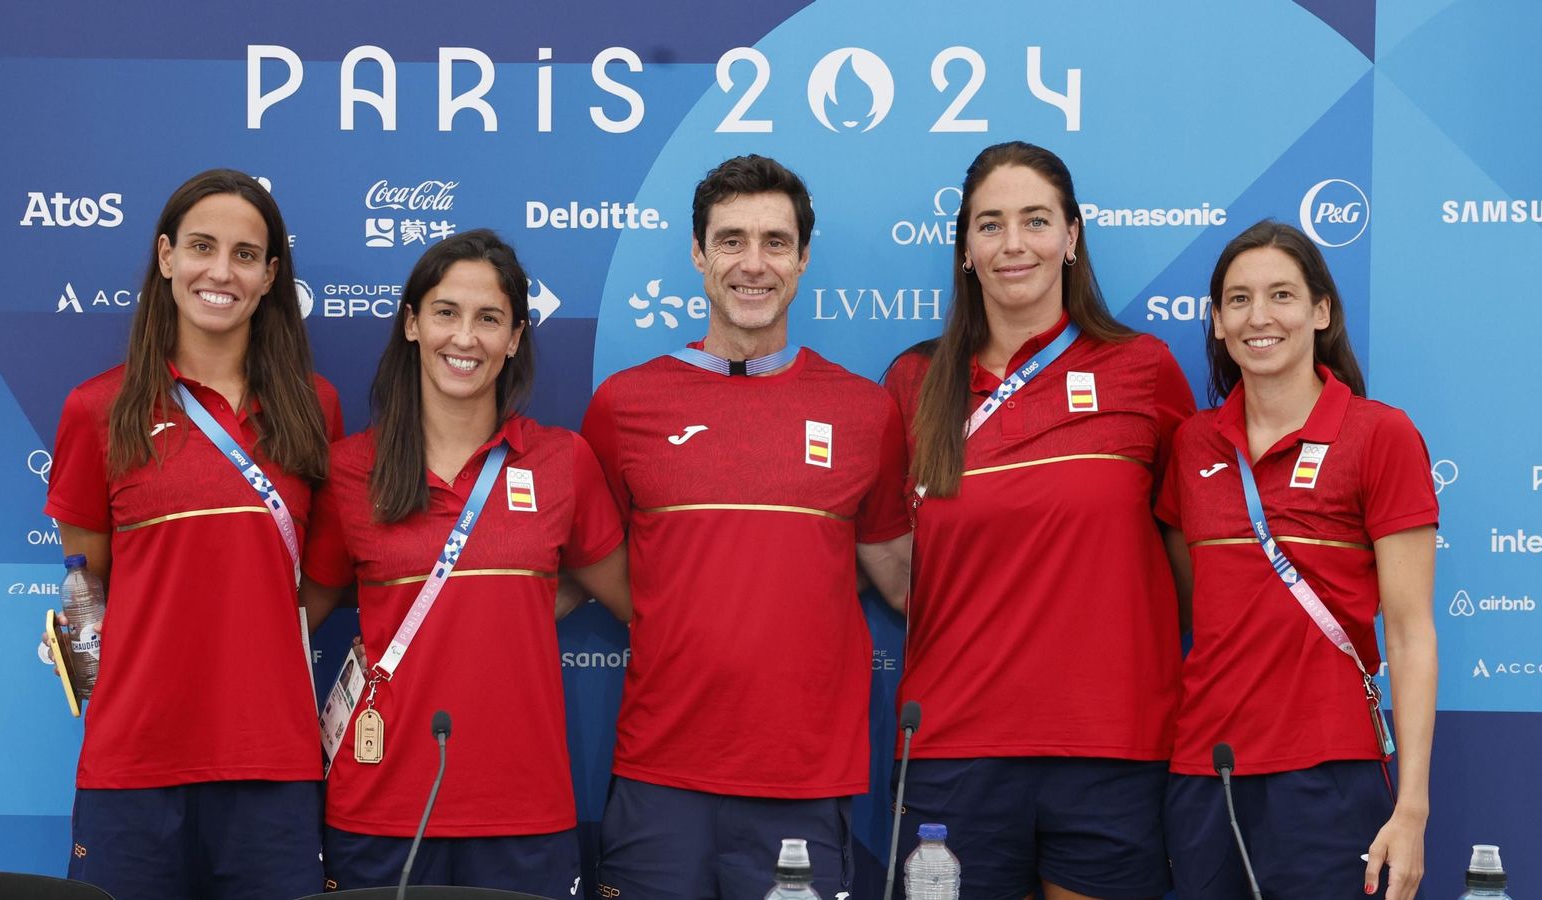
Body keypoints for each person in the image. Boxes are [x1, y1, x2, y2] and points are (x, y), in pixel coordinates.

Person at [581, 154, 912, 900]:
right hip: (659, 775)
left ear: (801, 259)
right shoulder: (624, 405)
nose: (752, 264)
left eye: (774, 241)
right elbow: (579, 563)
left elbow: (898, 573)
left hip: (803, 780)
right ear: (698, 254)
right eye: (731, 240)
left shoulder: (867, 412)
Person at [883, 141, 1194, 900]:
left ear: (1072, 236)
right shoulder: (914, 383)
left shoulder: (1143, 369)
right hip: (955, 748)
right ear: (964, 249)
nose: (1013, 244)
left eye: (1035, 220)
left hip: (1112, 746)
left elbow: (1193, 563)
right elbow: (894, 564)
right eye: (990, 225)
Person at [300, 229, 629, 896]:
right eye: (446, 312)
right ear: (413, 324)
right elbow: (298, 614)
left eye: (489, 319)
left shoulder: (563, 461)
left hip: (524, 813)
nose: (465, 337)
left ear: (513, 339)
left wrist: (535, 598)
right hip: (379, 811)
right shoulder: (349, 471)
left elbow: (636, 600)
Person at [44, 169, 343, 900]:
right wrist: (126, 678)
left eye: (245, 255)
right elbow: (83, 577)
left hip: (273, 767)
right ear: (167, 256)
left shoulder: (313, 407)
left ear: (271, 276)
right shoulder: (98, 408)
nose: (222, 271)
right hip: (133, 769)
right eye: (203, 247)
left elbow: (324, 581)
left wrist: (250, 641)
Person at [1156, 220, 1436, 900]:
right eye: (1239, 299)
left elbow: (1410, 630)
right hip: (1204, 771)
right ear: (1218, 322)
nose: (1260, 317)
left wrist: (1412, 807)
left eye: (1282, 295)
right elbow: (1195, 603)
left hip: (1328, 775)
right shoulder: (1193, 444)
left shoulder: (1381, 435)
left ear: (1321, 311)